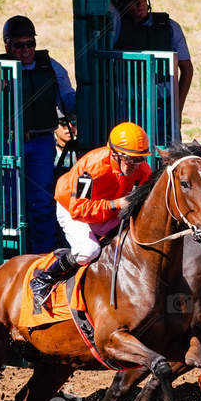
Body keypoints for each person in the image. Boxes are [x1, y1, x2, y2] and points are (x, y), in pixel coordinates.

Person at [30, 122, 153, 311]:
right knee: (88, 250)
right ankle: (45, 278)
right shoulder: (92, 167)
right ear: (114, 153)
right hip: (72, 207)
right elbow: (78, 210)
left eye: (139, 159)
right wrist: (116, 204)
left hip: (108, 210)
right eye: (129, 159)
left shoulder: (143, 171)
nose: (134, 166)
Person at [0, 14, 76, 253]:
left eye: (30, 44)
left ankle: (43, 256)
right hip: (8, 143)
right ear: (7, 45)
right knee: (8, 205)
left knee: (41, 203)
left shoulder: (50, 67)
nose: (26, 50)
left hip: (40, 143)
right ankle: (9, 256)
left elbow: (68, 100)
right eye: (19, 45)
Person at [110, 0, 194, 129]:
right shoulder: (116, 27)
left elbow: (187, 69)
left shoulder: (169, 26)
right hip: (127, 110)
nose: (139, 4)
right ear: (121, 5)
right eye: (132, 0)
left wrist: (178, 109)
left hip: (164, 108)